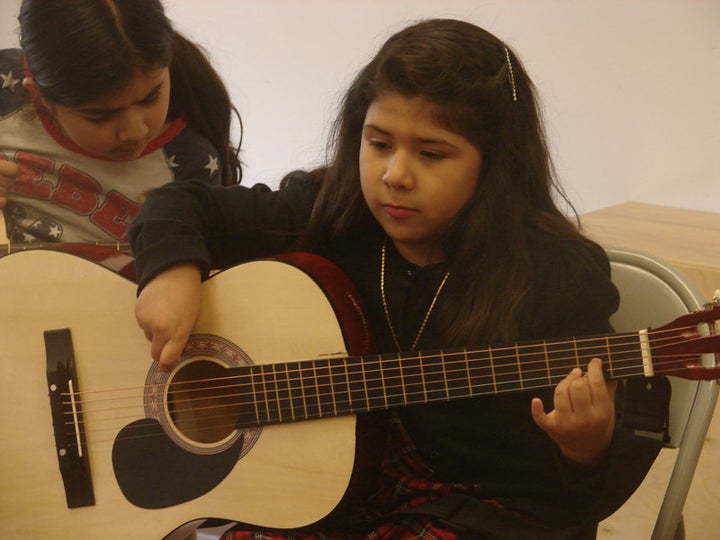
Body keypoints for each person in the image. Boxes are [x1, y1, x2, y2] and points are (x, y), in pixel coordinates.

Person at [129, 19, 670, 539]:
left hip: (480, 509)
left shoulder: (555, 275)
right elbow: (178, 205)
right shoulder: (328, 213)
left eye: (431, 153)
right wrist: (170, 272)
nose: (395, 175)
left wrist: (586, 446)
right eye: (379, 143)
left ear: (496, 165)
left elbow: (571, 499)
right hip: (328, 500)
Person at [0, 0, 241, 247]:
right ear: (40, 97)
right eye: (100, 116)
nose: (135, 132)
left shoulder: (191, 163)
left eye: (151, 97)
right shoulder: (5, 92)